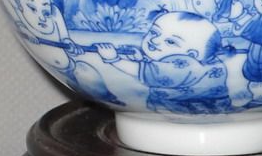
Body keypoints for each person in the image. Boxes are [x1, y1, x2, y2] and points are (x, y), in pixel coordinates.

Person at [0, 0, 123, 104]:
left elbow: (65, 39)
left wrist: (70, 45)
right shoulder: (20, 14)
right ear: (17, 2)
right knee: (87, 76)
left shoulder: (54, 14)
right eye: (32, 8)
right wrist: (24, 27)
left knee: (89, 73)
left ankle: (111, 97)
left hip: (71, 67)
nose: (42, 17)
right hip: (65, 74)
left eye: (45, 10)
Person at [96, 11, 230, 114]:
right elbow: (159, 65)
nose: (154, 40)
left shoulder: (185, 65)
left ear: (192, 55)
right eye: (154, 32)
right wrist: (141, 59)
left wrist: (113, 59)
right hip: (213, 104)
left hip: (181, 108)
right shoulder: (206, 61)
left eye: (170, 42)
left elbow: (145, 72)